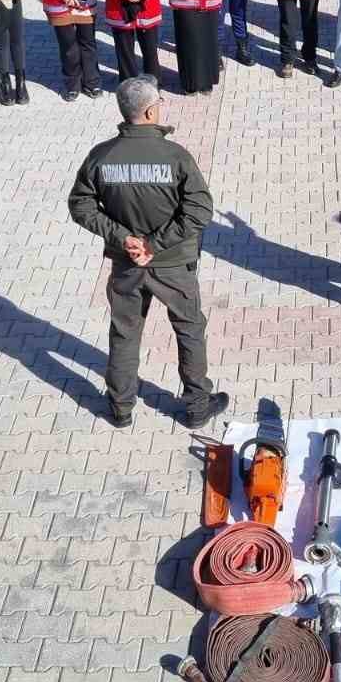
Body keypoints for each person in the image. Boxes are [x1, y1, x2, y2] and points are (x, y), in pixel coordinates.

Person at [68, 76, 228, 430]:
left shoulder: (101, 156)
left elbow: (80, 205)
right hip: (173, 264)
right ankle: (197, 405)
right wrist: (155, 244)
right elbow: (199, 212)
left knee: (125, 332)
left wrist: (123, 238)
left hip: (126, 265)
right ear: (152, 111)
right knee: (188, 329)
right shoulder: (175, 156)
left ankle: (121, 408)